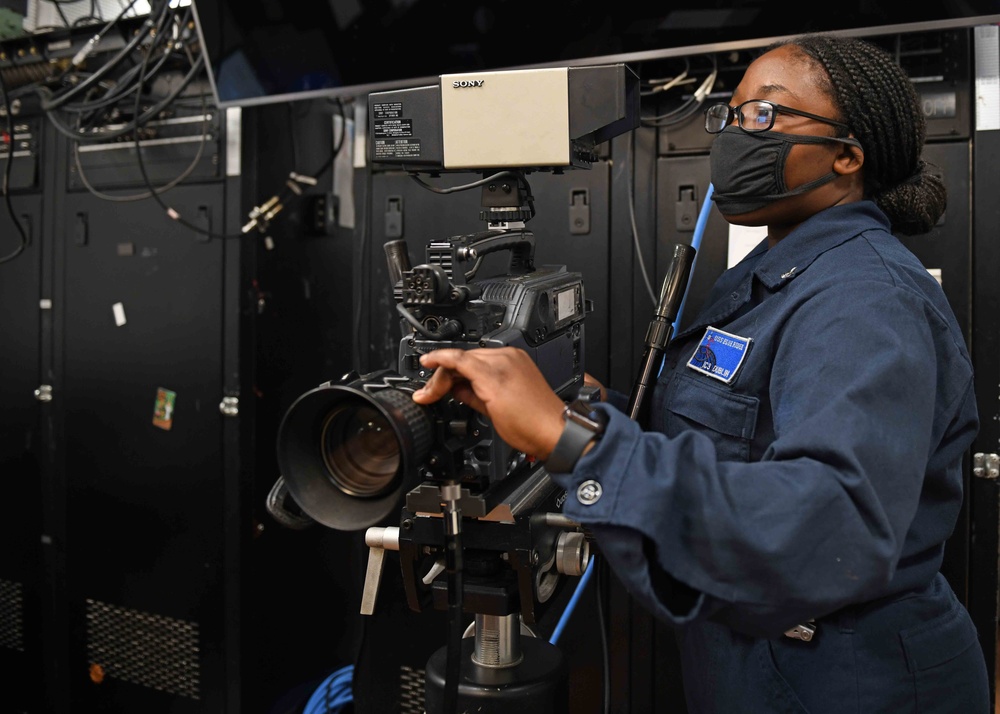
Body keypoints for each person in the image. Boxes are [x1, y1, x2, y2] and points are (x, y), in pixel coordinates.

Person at [411, 32, 991, 713]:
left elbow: (824, 530)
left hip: (842, 678)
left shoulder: (864, 299)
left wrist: (571, 443)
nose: (734, 135)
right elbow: (727, 436)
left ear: (846, 156)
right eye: (732, 114)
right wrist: (584, 406)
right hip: (759, 660)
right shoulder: (779, 272)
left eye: (764, 115)